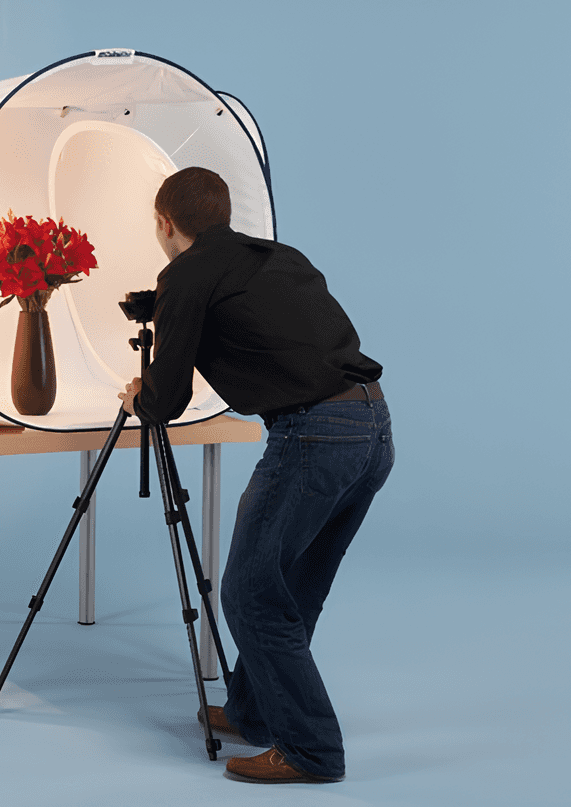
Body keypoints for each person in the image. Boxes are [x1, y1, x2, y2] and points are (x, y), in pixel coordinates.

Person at [118, 167, 394, 784]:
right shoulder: (278, 256)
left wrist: (139, 395)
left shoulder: (184, 274)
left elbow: (166, 401)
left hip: (313, 437)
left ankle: (312, 751)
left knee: (249, 593)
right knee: (293, 586)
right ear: (225, 213)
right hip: (373, 428)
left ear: (164, 223)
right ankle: (255, 712)